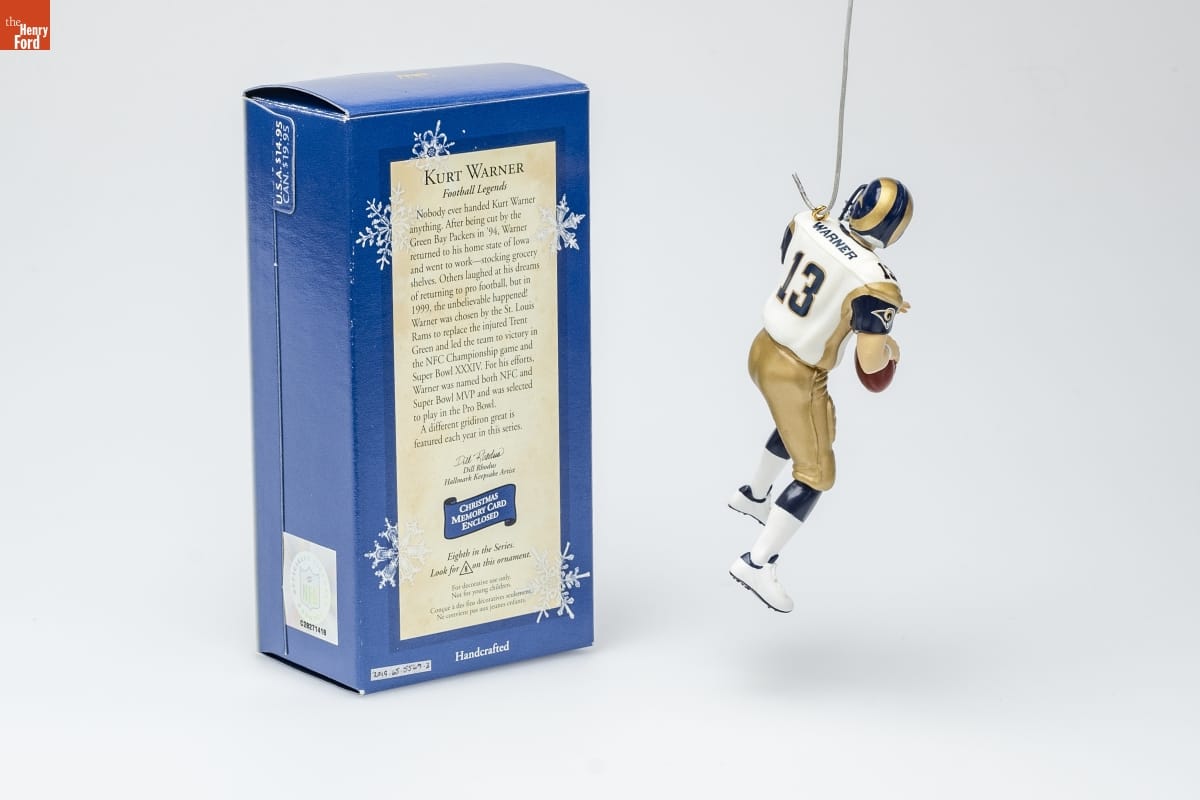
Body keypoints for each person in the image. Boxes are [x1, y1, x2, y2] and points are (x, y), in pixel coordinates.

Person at [728, 177, 913, 612]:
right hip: (798, 373)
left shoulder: (808, 222)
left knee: (813, 427)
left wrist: (870, 303)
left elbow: (800, 262)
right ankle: (757, 563)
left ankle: (753, 495)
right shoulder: (878, 283)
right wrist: (887, 340)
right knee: (817, 473)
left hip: (762, 347)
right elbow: (870, 365)